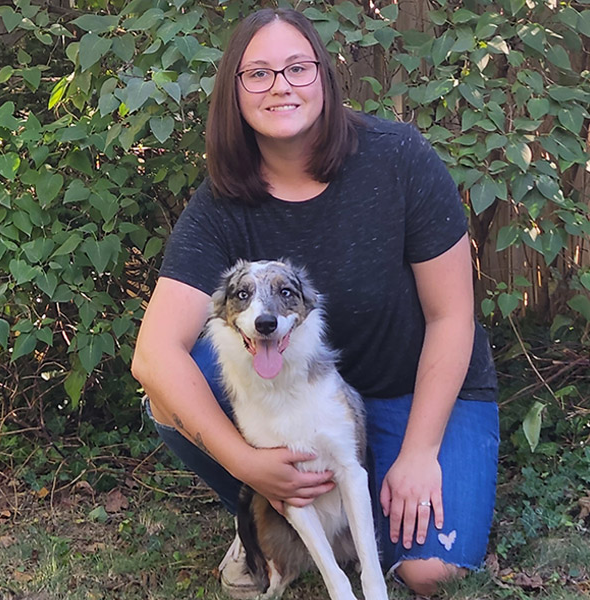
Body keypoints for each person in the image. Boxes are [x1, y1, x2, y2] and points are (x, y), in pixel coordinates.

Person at [132, 7, 499, 598]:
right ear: (235, 91)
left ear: (325, 77)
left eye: (298, 68)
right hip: (297, 401)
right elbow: (152, 355)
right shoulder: (222, 202)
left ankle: (338, 511)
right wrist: (245, 465)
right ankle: (268, 503)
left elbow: (452, 315)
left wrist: (420, 452)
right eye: (259, 73)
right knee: (179, 379)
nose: (281, 85)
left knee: (428, 572)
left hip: (416, 391)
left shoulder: (398, 158)